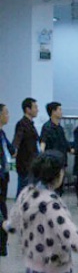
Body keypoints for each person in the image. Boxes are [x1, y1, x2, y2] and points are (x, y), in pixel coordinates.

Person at [13, 97, 40, 197]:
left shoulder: (31, 124)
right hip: (25, 165)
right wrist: (14, 149)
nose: (37, 110)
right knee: (22, 194)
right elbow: (17, 138)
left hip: (32, 164)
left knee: (29, 194)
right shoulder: (22, 124)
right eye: (35, 107)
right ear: (28, 109)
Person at [0, 104, 15, 256]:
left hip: (4, 175)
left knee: (2, 206)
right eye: (6, 113)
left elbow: (11, 150)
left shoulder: (2, 133)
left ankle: (2, 242)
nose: (8, 116)